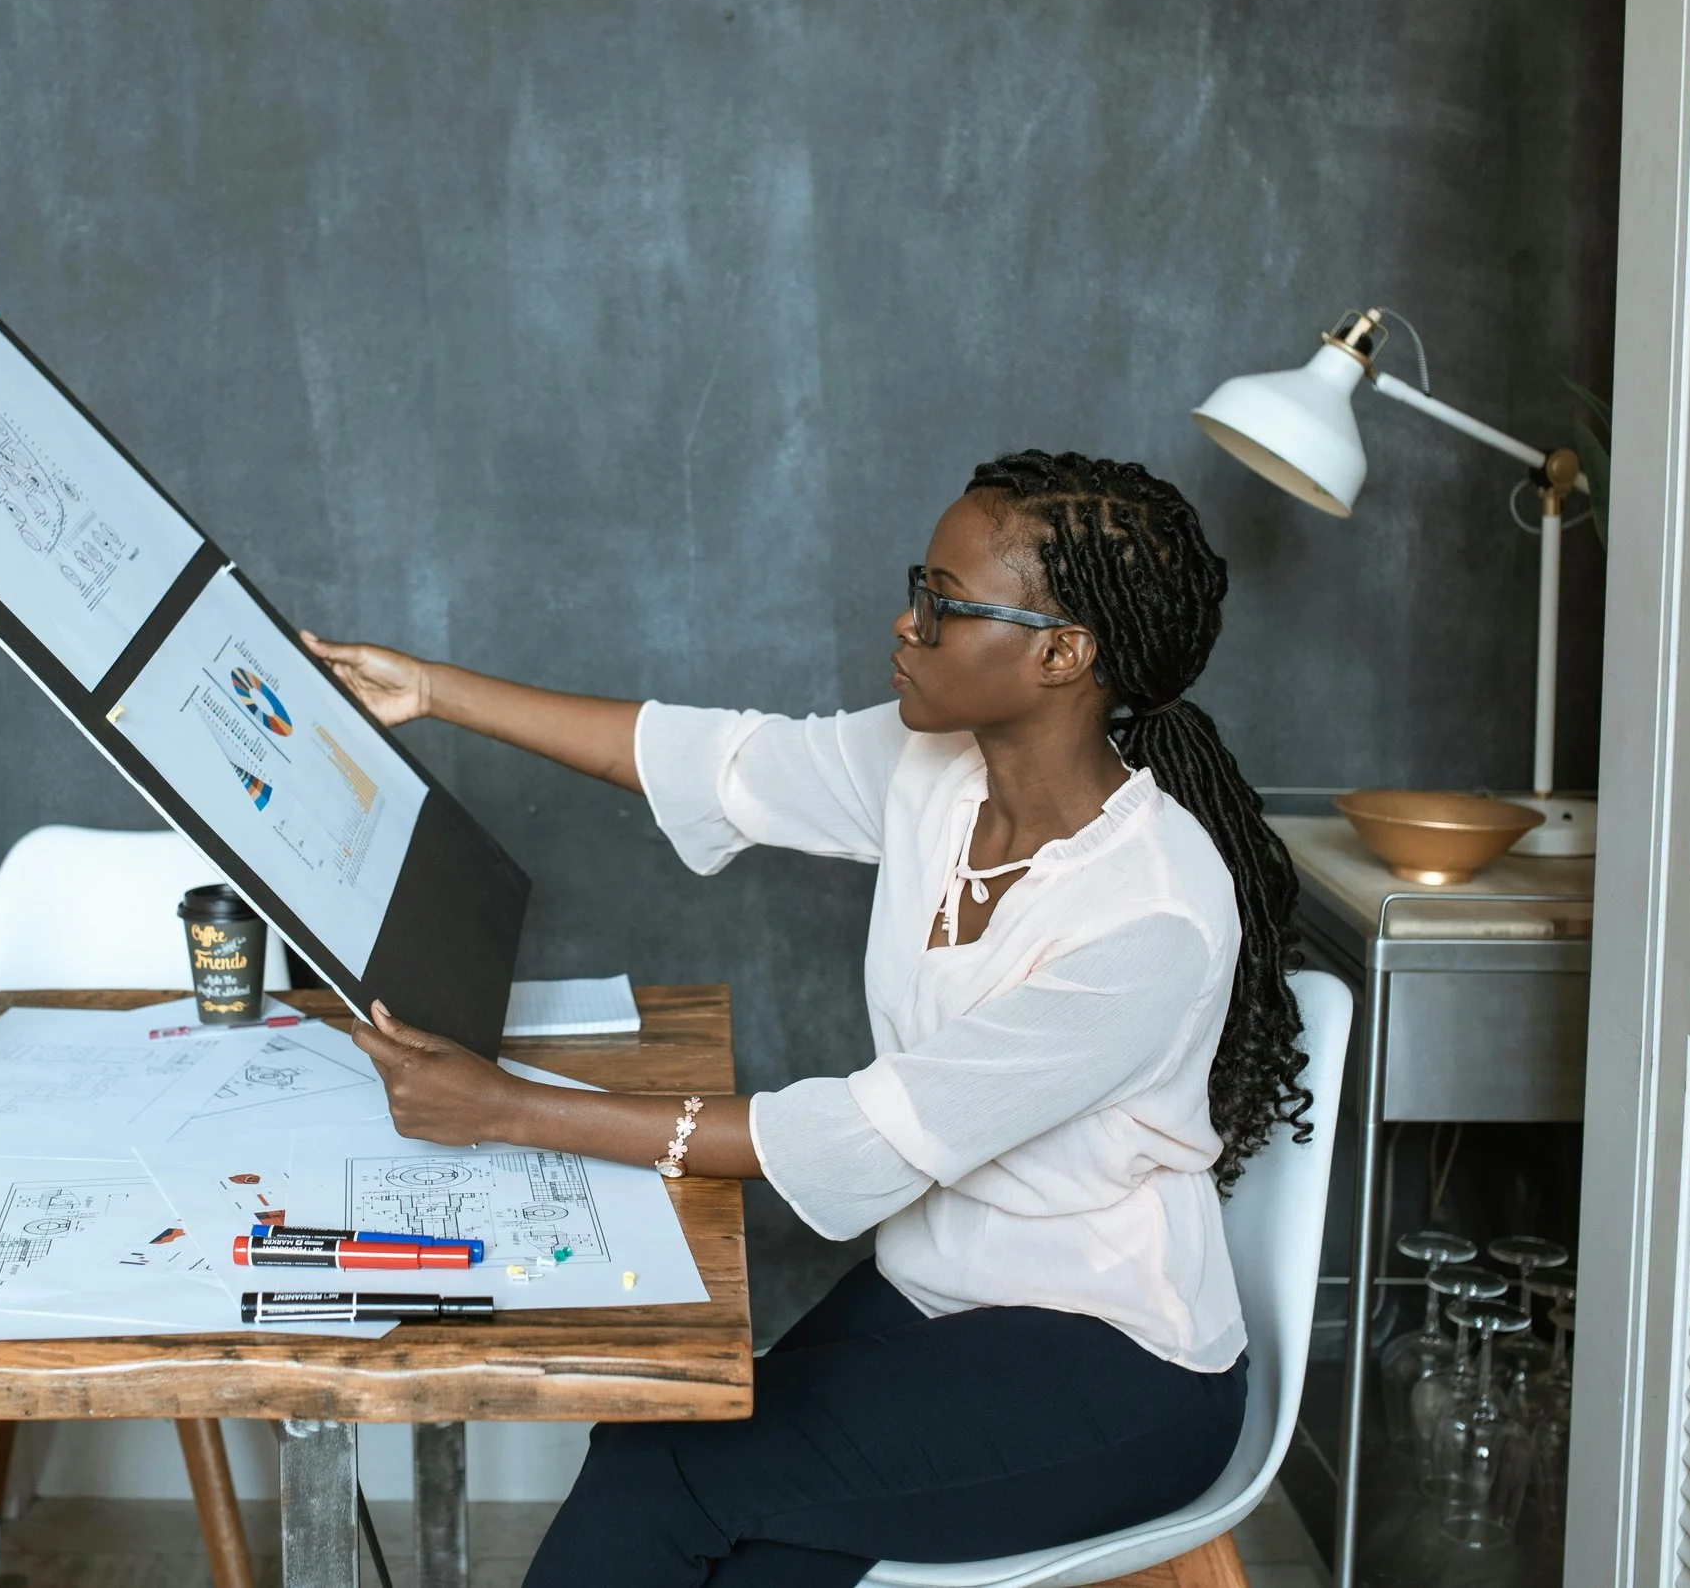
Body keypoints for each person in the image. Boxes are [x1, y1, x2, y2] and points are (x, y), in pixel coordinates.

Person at [301, 448, 1311, 1588]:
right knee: (696, 1492)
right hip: (942, 1285)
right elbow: (721, 761)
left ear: (1062, 653)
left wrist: (506, 1108)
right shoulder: (937, 765)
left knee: (667, 1476)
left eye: (942, 601)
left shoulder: (1148, 916)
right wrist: (431, 690)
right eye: (915, 584)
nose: (905, 620)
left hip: (1116, 1361)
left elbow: (862, 1139)